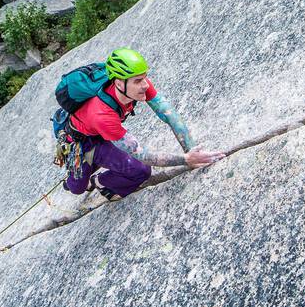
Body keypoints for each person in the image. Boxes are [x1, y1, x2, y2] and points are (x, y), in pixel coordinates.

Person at [62, 48, 224, 202]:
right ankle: (75, 174)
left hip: (102, 134)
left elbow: (168, 114)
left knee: (140, 172)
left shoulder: (135, 85)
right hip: (80, 143)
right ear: (119, 83)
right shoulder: (102, 114)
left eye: (145, 77)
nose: (145, 84)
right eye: (138, 80)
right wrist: (186, 160)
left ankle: (98, 182)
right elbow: (142, 155)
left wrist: (192, 150)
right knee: (76, 188)